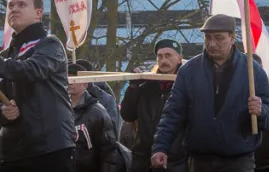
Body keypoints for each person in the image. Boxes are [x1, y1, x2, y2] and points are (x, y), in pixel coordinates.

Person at [0, 0, 75, 171]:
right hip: (13, 153)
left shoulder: (50, 44)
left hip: (49, 148)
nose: (14, 9)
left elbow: (32, 69)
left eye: (22, 5)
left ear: (38, 13)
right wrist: (2, 111)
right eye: (11, 5)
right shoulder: (5, 56)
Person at [152, 14, 269, 172]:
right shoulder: (189, 71)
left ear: (232, 38)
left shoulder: (253, 71)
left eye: (219, 38)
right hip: (199, 160)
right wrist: (160, 147)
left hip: (238, 160)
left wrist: (261, 111)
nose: (212, 44)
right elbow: (172, 114)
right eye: (208, 38)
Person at [120, 38, 186, 172]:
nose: (163, 60)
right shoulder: (146, 85)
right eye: (160, 56)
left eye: (168, 55)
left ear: (179, 58)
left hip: (175, 160)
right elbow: (127, 115)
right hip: (143, 159)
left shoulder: (186, 86)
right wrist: (133, 87)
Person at [69, 63, 122, 172]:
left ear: (85, 84)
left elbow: (109, 152)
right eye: (67, 78)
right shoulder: (59, 110)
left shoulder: (97, 112)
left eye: (74, 79)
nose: (70, 82)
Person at [77, 58, 120, 131]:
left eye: (74, 77)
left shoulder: (105, 99)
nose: (70, 82)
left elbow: (111, 132)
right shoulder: (63, 98)